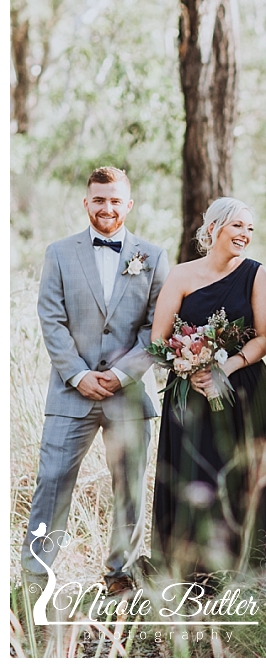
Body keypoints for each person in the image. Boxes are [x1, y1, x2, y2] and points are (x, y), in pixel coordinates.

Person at [23, 166, 168, 597]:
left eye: (115, 200)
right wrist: (78, 374)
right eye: (99, 199)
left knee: (130, 486)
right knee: (52, 481)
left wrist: (122, 374)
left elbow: (157, 327)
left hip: (129, 394)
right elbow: (51, 319)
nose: (107, 207)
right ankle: (34, 578)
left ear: (129, 204)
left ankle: (121, 576)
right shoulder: (59, 253)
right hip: (72, 392)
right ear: (86, 202)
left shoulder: (153, 256)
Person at [150, 198, 266, 581]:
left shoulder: (255, 274)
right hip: (190, 395)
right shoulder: (180, 275)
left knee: (246, 476)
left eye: (250, 228)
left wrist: (226, 367)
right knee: (197, 474)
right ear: (213, 228)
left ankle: (255, 569)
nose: (245, 235)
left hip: (244, 391)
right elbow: (158, 339)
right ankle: (194, 573)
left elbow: (264, 337)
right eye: (237, 226)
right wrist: (188, 367)